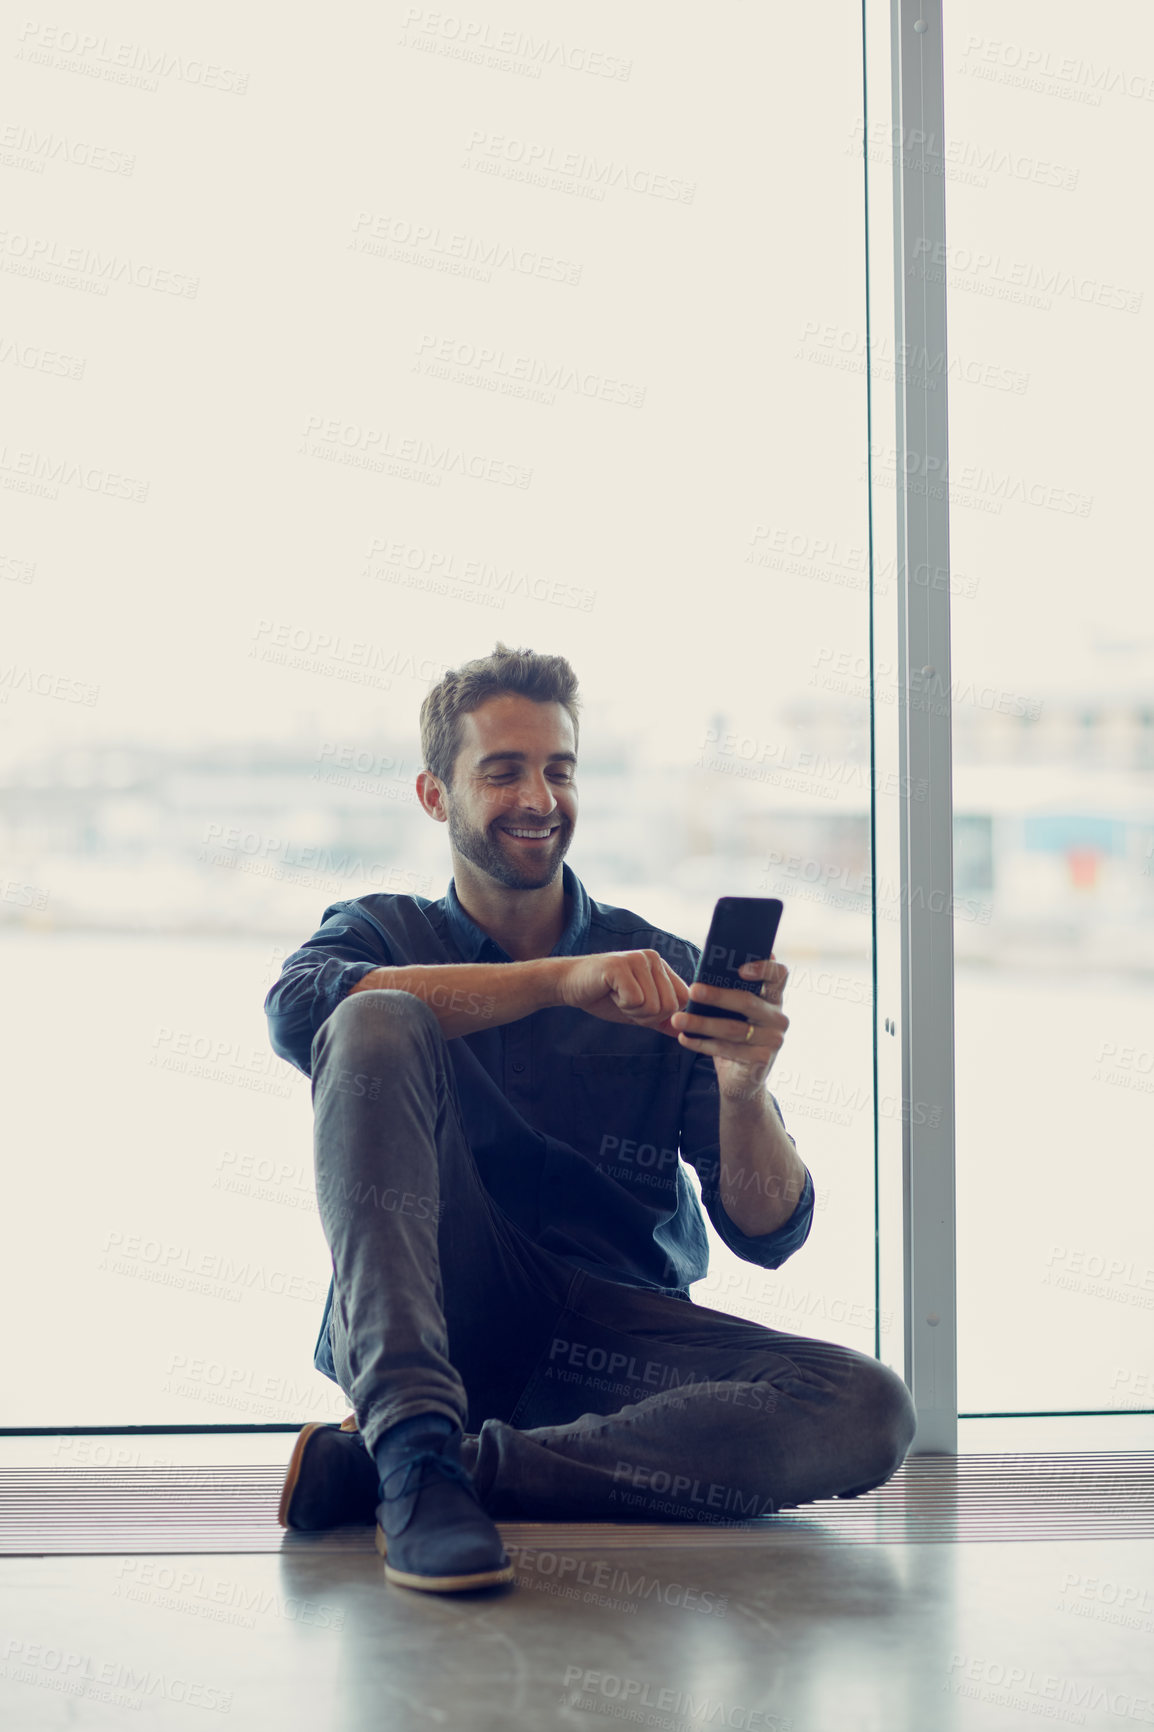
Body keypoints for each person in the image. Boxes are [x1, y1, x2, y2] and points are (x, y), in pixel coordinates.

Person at [264, 643, 917, 1594]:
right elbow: (298, 1011)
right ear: (434, 796)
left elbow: (768, 1232)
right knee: (369, 1014)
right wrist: (556, 984)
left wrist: (745, 1093)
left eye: (558, 769)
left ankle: (425, 1472)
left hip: (619, 1345)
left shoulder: (659, 962)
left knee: (868, 1409)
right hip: (450, 1318)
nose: (539, 796)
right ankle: (412, 1442)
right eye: (503, 770)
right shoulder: (378, 932)